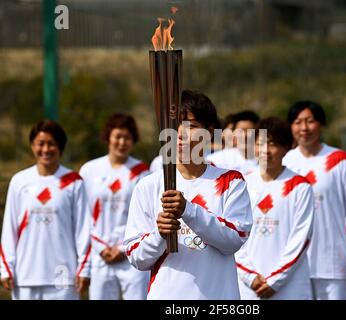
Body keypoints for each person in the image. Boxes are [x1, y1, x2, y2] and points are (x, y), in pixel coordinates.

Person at [123, 89, 253, 299]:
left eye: (191, 126)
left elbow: (234, 239)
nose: (181, 134)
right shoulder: (149, 185)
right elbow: (136, 257)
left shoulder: (230, 181)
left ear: (210, 131)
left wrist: (188, 210)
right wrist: (160, 234)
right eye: (174, 127)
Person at [282, 101, 346, 300]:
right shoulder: (285, 162)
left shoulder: (339, 160)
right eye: (297, 122)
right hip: (293, 264)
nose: (304, 128)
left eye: (310, 121)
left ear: (321, 124)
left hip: (333, 263)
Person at [0, 120, 91, 300]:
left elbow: (83, 229)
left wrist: (84, 268)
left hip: (62, 275)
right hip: (25, 275)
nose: (46, 149)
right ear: (33, 146)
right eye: (41, 143)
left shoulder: (74, 182)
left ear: (60, 147)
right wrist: (6, 267)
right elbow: (10, 229)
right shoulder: (20, 181)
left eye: (52, 144)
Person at [236, 117, 314, 300]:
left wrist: (275, 280)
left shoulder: (299, 187)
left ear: (287, 147)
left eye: (272, 144)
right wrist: (250, 276)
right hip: (248, 286)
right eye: (260, 143)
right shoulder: (242, 184)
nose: (265, 151)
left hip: (290, 285)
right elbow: (234, 234)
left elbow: (301, 238)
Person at [79, 113, 150, 300]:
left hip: (131, 254)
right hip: (100, 253)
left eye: (127, 138)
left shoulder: (142, 172)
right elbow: (82, 215)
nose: (122, 142)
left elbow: (146, 215)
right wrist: (101, 247)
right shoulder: (89, 170)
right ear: (108, 137)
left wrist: (122, 247)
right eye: (118, 136)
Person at [206, 110, 260, 175]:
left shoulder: (267, 160)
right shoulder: (216, 160)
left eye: (250, 131)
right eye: (241, 130)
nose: (245, 135)